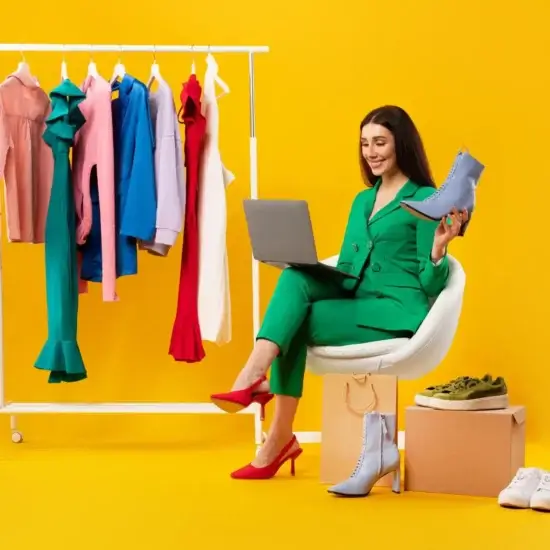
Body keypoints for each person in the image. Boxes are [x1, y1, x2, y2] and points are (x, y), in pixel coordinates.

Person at [210, 105, 467, 480]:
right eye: (365, 144)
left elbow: (431, 283)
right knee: (293, 281)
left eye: (380, 142)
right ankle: (258, 381)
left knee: (297, 319)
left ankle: (271, 424)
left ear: (402, 144)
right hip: (358, 296)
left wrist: (439, 248)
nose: (371, 152)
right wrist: (307, 268)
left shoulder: (426, 198)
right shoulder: (362, 200)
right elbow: (348, 268)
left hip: (397, 309)